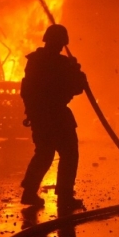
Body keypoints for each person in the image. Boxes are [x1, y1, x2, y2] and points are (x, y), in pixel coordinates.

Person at [19, 24, 88, 211]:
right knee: (68, 154)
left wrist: (74, 70)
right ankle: (64, 196)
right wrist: (76, 72)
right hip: (55, 115)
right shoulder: (61, 64)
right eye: (58, 42)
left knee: (45, 153)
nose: (58, 46)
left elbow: (26, 91)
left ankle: (30, 192)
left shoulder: (34, 61)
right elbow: (77, 88)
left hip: (42, 115)